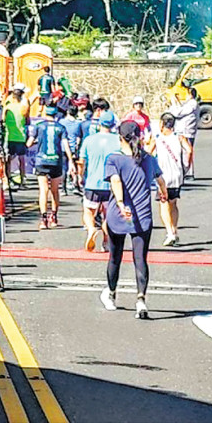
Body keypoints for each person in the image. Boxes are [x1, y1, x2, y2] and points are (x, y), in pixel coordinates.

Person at [101, 120, 168, 320]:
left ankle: (112, 294)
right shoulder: (148, 158)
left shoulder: (114, 159)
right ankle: (141, 300)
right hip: (142, 215)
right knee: (140, 259)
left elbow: (115, 181)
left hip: (119, 215)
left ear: (120, 137)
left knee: (115, 256)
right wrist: (163, 193)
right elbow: (160, 180)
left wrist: (121, 204)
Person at [77, 111, 120, 252]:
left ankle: (91, 229)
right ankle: (106, 242)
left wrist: (79, 175)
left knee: (89, 211)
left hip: (92, 182)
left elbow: (82, 161)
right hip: (111, 183)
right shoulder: (117, 140)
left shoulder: (89, 140)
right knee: (108, 215)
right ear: (113, 125)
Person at [26, 106, 74, 230]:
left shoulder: (39, 126)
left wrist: (33, 143)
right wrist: (71, 160)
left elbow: (30, 142)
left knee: (43, 190)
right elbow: (66, 145)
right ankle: (54, 216)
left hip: (42, 160)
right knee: (54, 190)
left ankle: (43, 219)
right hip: (55, 161)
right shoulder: (60, 127)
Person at [151, 113, 191, 246]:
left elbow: (148, 153)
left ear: (161, 124)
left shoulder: (157, 138)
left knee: (163, 204)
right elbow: (189, 150)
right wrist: (186, 166)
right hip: (177, 175)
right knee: (173, 203)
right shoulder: (179, 137)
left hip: (163, 176)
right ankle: (175, 230)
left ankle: (170, 233)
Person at [169, 87, 199, 180]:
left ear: (190, 94)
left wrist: (173, 103)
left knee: (187, 152)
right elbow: (182, 108)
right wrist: (177, 102)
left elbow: (178, 113)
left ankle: (188, 173)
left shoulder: (192, 104)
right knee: (185, 152)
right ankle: (186, 172)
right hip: (185, 131)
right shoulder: (190, 104)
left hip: (186, 132)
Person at [4, 83, 30, 189]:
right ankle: (23, 180)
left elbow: (2, 119)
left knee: (8, 159)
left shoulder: (7, 107)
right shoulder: (23, 107)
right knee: (21, 159)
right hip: (21, 136)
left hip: (8, 136)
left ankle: (7, 180)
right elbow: (27, 120)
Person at [58, 105, 83, 194]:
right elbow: (79, 137)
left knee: (64, 168)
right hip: (73, 148)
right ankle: (75, 185)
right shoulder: (78, 123)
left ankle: (63, 188)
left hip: (63, 147)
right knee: (74, 167)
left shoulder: (61, 122)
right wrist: (77, 146)